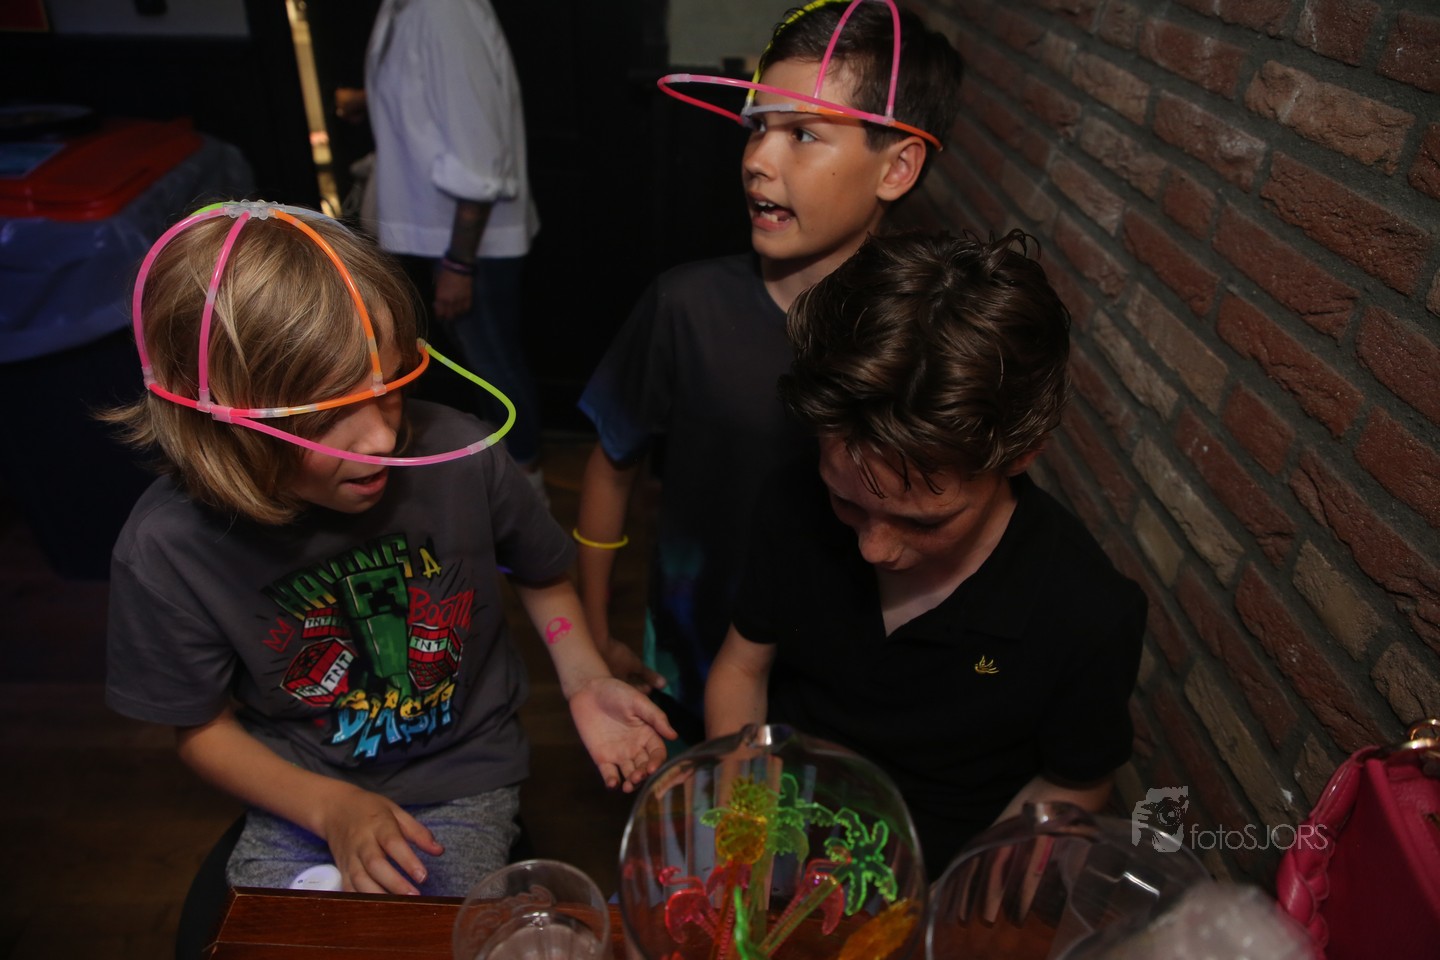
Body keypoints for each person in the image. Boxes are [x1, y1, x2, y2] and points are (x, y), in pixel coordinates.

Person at [103, 203, 675, 898]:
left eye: (391, 387)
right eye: (328, 413)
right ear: (223, 422)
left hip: (464, 775)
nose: (379, 438)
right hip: (297, 783)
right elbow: (201, 730)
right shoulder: (165, 550)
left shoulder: (464, 456)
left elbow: (541, 574)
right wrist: (329, 807)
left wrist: (583, 678)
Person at [575, 0, 965, 742]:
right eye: (758, 127)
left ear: (898, 166)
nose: (757, 159)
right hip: (688, 662)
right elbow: (613, 463)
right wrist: (594, 638)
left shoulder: (927, 337)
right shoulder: (686, 306)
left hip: (844, 690)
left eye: (803, 134)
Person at [705, 230, 1147, 878]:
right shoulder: (792, 502)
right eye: (847, 502)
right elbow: (742, 669)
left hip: (940, 875)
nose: (874, 548)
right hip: (789, 836)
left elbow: (1073, 782)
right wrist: (748, 824)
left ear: (1019, 454)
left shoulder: (1086, 613)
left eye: (923, 521)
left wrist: (962, 893)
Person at [362, 0, 545, 486]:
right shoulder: (405, 9)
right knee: (481, 371)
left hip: (469, 242)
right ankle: (506, 482)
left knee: (496, 371)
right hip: (436, 233)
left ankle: (529, 491)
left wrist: (460, 264)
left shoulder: (444, 11)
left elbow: (478, 153)